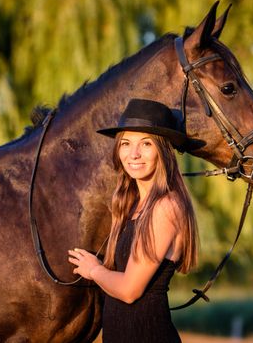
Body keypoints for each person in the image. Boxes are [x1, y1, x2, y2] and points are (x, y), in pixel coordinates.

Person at [68, 98, 198, 343]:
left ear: (163, 151)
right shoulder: (131, 205)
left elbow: (129, 290)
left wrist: (94, 270)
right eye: (126, 143)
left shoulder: (166, 207)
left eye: (146, 143)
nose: (134, 154)